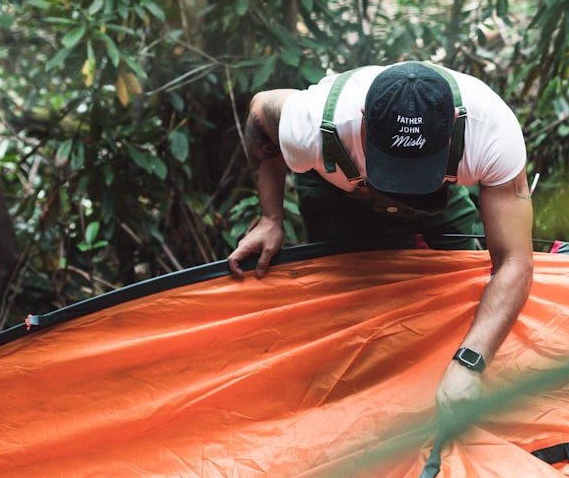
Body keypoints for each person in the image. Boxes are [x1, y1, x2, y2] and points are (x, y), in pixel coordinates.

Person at [227, 61, 534, 415]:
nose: (402, 181)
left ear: (452, 120)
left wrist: (470, 363)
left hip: (439, 204)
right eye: (393, 163)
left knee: (463, 290)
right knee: (347, 316)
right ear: (363, 116)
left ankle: (450, 387)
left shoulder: (491, 130)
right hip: (337, 194)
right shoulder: (313, 123)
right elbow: (260, 112)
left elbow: (514, 261)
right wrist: (271, 219)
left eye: (416, 167)